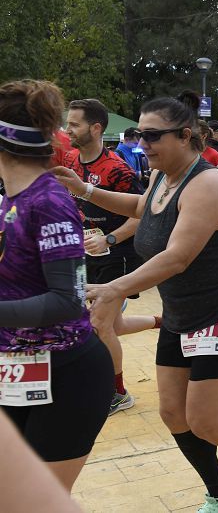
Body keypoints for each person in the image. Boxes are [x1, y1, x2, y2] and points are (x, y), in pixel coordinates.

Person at [54, 92, 218, 512]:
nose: (142, 143)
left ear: (185, 135)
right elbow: (142, 209)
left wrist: (115, 287)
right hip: (182, 311)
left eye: (152, 135)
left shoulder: (207, 182)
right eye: (139, 135)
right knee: (172, 413)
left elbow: (178, 255)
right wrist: (86, 190)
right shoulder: (161, 177)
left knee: (205, 419)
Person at [0, 80, 113, 491]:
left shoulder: (47, 201)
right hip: (17, 371)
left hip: (66, 374)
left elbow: (67, 300)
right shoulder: (10, 199)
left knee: (35, 502)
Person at [64, 98, 159, 415]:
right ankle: (164, 322)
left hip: (117, 256)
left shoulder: (117, 168)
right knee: (112, 325)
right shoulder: (70, 161)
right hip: (84, 256)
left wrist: (110, 237)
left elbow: (141, 214)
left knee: (98, 324)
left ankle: (117, 392)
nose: (68, 129)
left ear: (96, 128)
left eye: (74, 124)